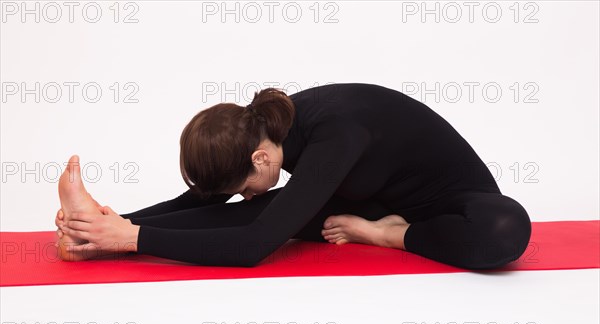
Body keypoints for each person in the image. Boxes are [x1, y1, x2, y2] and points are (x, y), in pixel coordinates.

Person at [55, 83, 532, 269]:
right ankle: (95, 239)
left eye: (242, 186)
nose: (242, 195)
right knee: (260, 215)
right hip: (364, 200)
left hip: (453, 210)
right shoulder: (264, 130)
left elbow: (251, 248)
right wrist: (114, 222)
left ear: (260, 161)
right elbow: (207, 199)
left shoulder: (334, 134)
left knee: (505, 232)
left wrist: (133, 239)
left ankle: (392, 236)